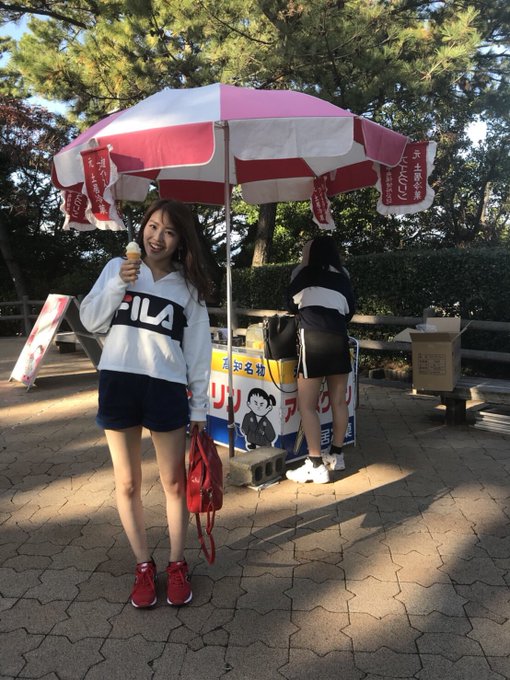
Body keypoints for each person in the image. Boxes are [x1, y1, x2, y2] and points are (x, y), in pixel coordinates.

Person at [80, 199, 212, 608]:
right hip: (118, 383)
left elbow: (198, 352)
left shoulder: (189, 289)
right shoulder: (116, 268)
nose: (157, 237)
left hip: (166, 388)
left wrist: (199, 407)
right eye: (153, 226)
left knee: (174, 482)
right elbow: (90, 320)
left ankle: (177, 563)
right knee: (127, 483)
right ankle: (142, 565)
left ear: (180, 241)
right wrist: (118, 283)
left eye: (169, 232)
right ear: (142, 228)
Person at [285, 235, 355, 484]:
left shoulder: (303, 274)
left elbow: (290, 305)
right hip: (339, 340)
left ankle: (315, 464)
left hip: (313, 341)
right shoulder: (343, 277)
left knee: (307, 405)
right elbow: (349, 312)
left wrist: (303, 267)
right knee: (339, 401)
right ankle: (337, 454)